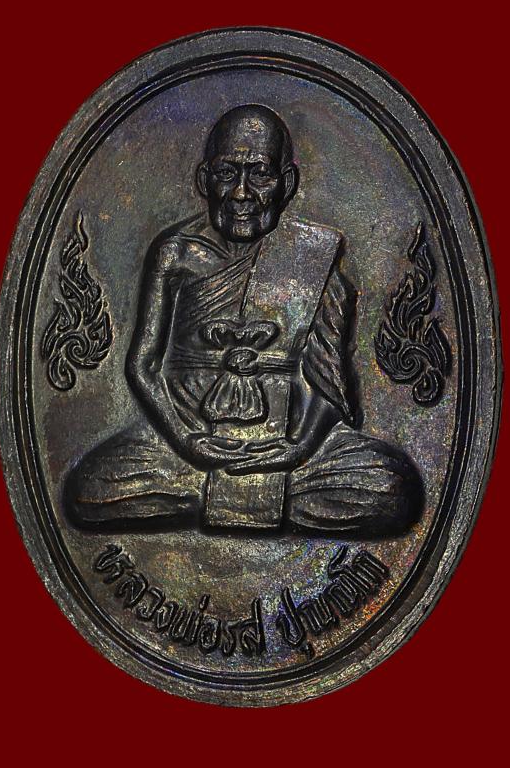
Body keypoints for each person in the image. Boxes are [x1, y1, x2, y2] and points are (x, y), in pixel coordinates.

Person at [65, 105, 423, 535]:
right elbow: (143, 364)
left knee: (392, 488)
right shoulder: (176, 254)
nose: (241, 193)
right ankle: (250, 495)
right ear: (204, 180)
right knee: (89, 489)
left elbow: (329, 383)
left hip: (285, 444)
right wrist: (185, 439)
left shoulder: (313, 257)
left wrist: (297, 449)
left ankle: (210, 497)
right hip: (185, 439)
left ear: (287, 183)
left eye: (260, 174)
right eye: (227, 173)